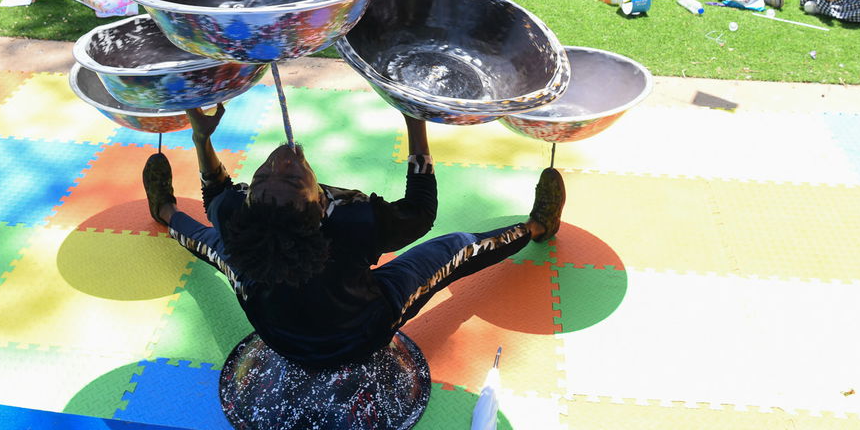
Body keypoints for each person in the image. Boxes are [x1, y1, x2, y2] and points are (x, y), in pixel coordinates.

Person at [146, 99, 566, 370]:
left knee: (213, 244)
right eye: (289, 180)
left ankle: (164, 210)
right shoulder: (352, 224)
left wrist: (202, 138)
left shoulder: (240, 218)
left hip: (272, 327)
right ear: (315, 204)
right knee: (454, 248)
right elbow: (420, 213)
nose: (280, 161)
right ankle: (538, 226)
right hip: (361, 331)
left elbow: (216, 191)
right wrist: (414, 122)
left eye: (266, 174)